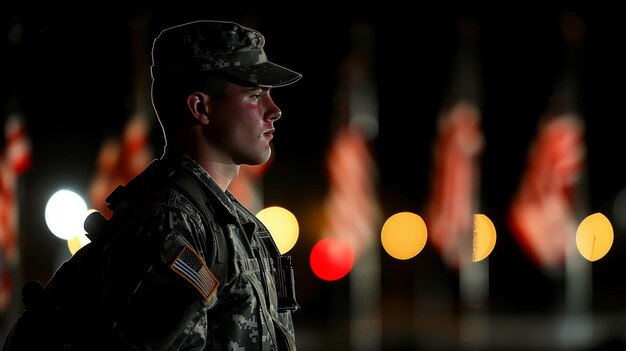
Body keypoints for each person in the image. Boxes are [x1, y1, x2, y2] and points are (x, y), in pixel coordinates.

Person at [3, 19, 302, 351]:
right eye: (254, 95)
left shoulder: (237, 223)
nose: (273, 111)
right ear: (201, 107)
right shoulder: (168, 222)